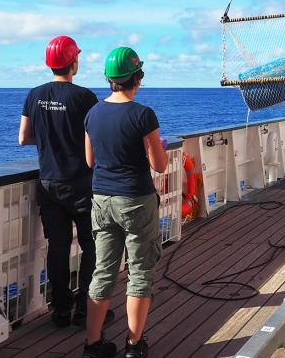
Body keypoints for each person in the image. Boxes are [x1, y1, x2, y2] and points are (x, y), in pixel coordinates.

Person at [18, 36, 114, 329]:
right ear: (74, 62)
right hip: (82, 183)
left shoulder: (34, 95)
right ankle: (87, 309)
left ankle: (60, 310)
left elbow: (24, 138)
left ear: (50, 63)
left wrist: (48, 142)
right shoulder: (84, 97)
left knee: (57, 248)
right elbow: (97, 139)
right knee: (92, 245)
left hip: (48, 183)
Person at [82, 47, 168, 358]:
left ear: (109, 79)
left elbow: (90, 161)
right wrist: (155, 147)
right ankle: (134, 345)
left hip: (102, 200)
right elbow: (159, 165)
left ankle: (92, 345)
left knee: (103, 271)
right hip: (135, 201)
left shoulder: (92, 114)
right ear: (137, 78)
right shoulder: (142, 114)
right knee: (140, 272)